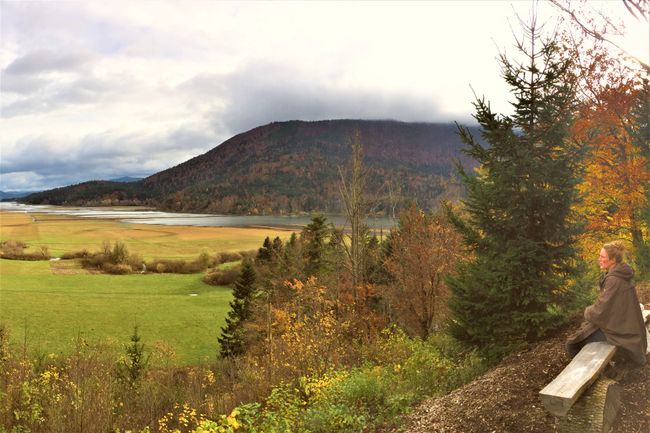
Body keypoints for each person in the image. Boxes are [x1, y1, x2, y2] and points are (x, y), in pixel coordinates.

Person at [566, 241, 647, 366]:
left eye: (602, 257)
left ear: (613, 259)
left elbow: (600, 311)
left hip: (623, 333)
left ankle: (599, 374)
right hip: (625, 327)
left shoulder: (614, 280)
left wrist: (587, 311)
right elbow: (608, 306)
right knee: (583, 333)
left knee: (572, 344)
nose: (599, 259)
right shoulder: (620, 274)